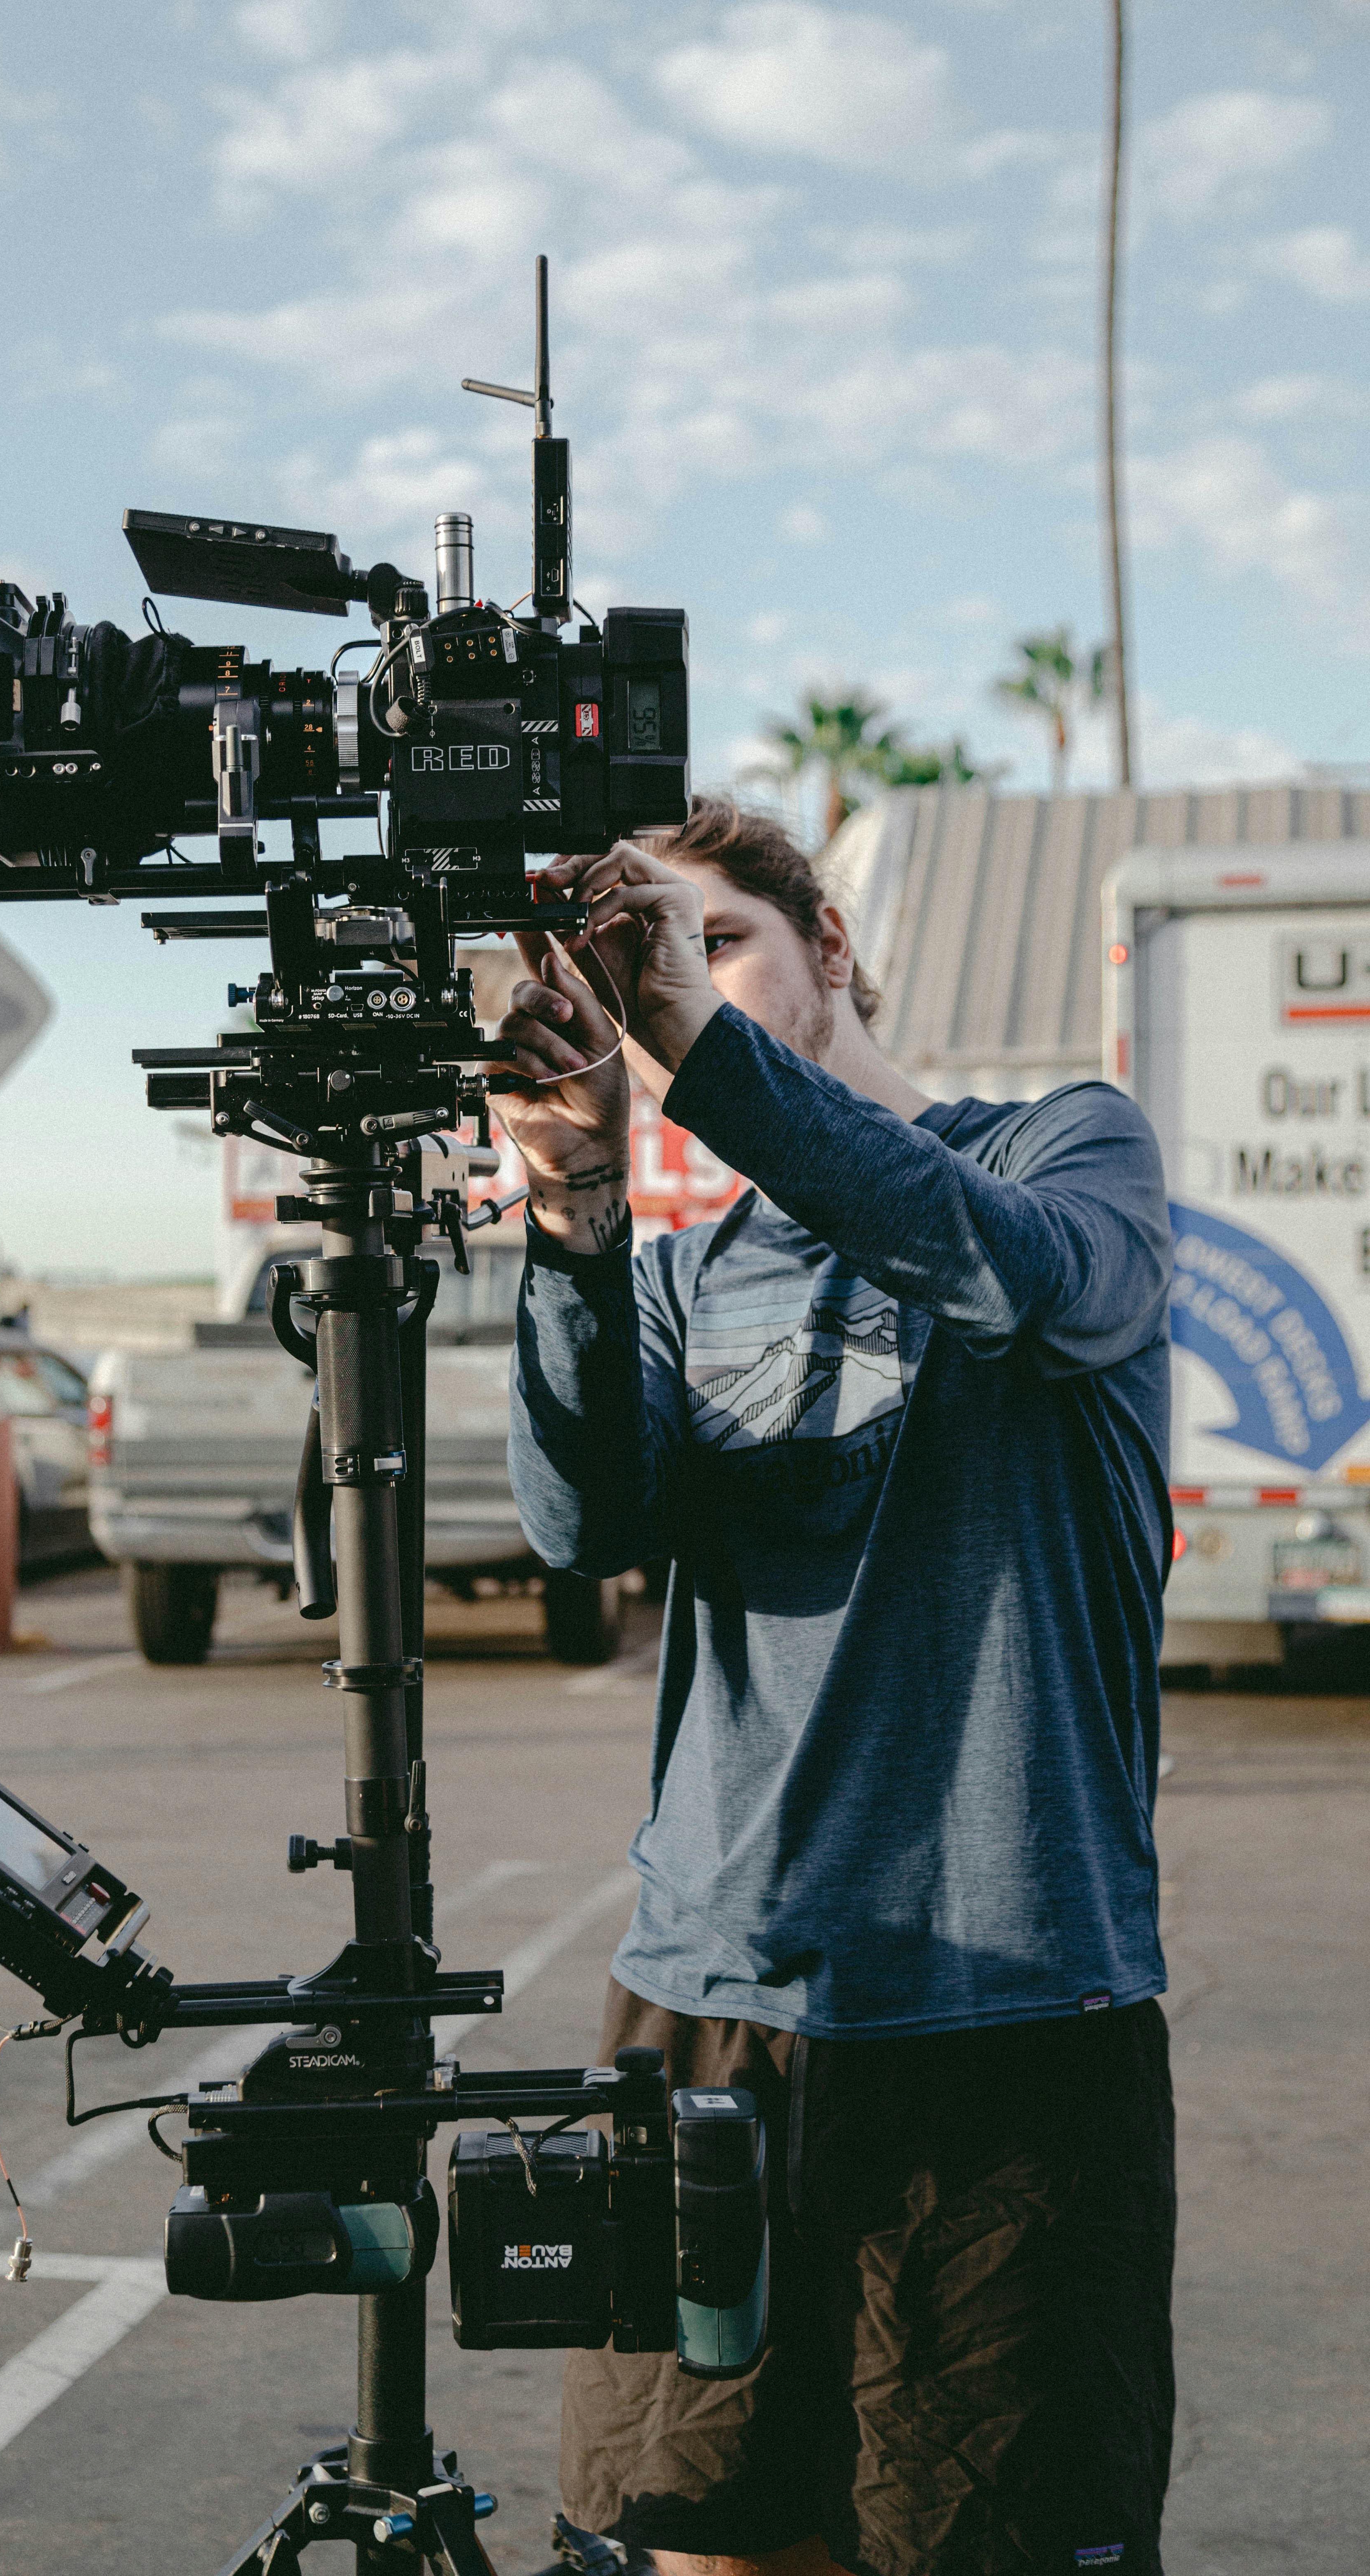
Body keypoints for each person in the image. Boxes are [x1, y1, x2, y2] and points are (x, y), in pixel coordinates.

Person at [495, 796, 1177, 2576]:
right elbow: (581, 1523)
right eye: (642, 960)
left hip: (1008, 2012)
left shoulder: (1065, 1152)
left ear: (828, 952)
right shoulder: (676, 1275)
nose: (674, 987)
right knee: (689, 2537)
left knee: (979, 2545)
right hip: (712, 1997)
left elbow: (1009, 1284)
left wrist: (692, 1045)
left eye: (712, 941)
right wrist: (569, 1201)